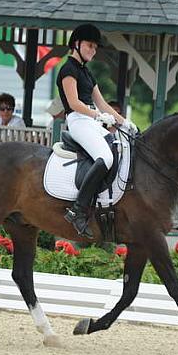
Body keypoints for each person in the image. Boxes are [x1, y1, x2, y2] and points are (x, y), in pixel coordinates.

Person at [56, 23, 138, 238]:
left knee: (120, 147)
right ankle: (78, 209)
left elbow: (102, 104)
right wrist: (98, 117)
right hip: (78, 121)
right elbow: (73, 103)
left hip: (91, 120)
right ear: (77, 44)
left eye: (95, 47)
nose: (93, 50)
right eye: (89, 46)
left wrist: (125, 123)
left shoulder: (87, 73)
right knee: (105, 157)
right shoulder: (68, 70)